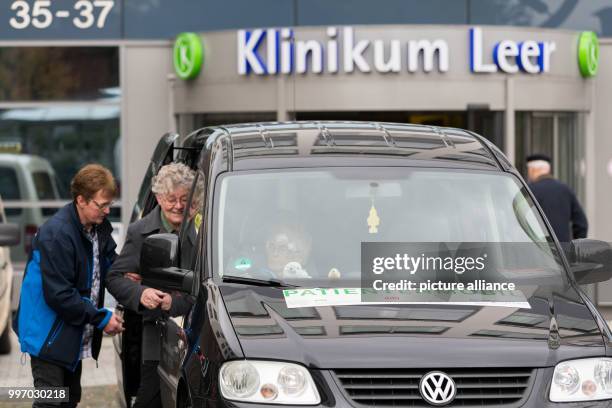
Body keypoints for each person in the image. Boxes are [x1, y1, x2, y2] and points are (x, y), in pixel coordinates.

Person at [13, 164, 124, 408]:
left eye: (110, 205)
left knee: (70, 399)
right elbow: (60, 295)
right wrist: (101, 318)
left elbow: (110, 264)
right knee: (50, 403)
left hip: (70, 332)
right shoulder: (58, 234)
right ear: (81, 200)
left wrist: (131, 278)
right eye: (101, 205)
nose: (107, 211)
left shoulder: (97, 227)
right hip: (47, 336)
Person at [106, 162, 196, 408]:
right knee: (150, 397)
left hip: (193, 328)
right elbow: (114, 278)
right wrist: (141, 292)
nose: (178, 205)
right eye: (171, 199)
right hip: (155, 330)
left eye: (184, 199)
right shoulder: (140, 231)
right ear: (158, 197)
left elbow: (202, 282)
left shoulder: (201, 229)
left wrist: (175, 301)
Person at [526, 154, 588, 242]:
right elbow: (581, 224)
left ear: (532, 170)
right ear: (548, 169)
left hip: (539, 250)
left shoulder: (529, 191)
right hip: (563, 252)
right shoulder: (565, 190)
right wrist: (576, 248)